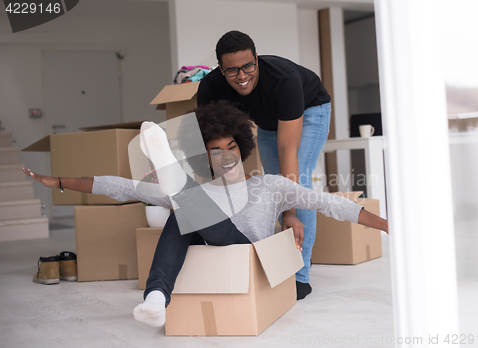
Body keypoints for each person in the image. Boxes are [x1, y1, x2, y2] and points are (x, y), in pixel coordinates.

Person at [23, 101, 388, 328]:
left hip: (250, 257)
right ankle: (155, 300)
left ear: (242, 148)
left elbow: (331, 204)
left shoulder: (270, 186)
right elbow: (124, 187)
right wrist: (56, 180)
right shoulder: (202, 193)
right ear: (205, 157)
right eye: (216, 150)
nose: (227, 154)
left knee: (183, 203)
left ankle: (168, 169)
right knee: (182, 212)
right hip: (207, 247)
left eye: (232, 146)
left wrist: (389, 225)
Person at [197, 30, 332, 299]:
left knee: (296, 182)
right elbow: (210, 146)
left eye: (248, 66)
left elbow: (288, 149)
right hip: (268, 123)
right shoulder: (210, 88)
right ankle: (282, 260)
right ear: (221, 70)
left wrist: (289, 213)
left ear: (257, 58)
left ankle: (299, 276)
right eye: (232, 70)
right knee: (273, 188)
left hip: (309, 110)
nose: (243, 75)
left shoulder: (284, 79)